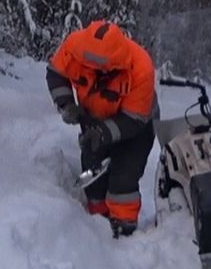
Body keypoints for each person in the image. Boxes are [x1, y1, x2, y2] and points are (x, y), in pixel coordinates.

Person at [46, 21, 158, 238]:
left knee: (123, 177)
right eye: (90, 65)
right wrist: (66, 104)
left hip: (137, 123)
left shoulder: (141, 66)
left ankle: (124, 230)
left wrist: (102, 134)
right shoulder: (74, 47)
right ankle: (97, 222)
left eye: (101, 68)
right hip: (93, 118)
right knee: (93, 172)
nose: (94, 71)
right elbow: (56, 74)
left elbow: (133, 119)